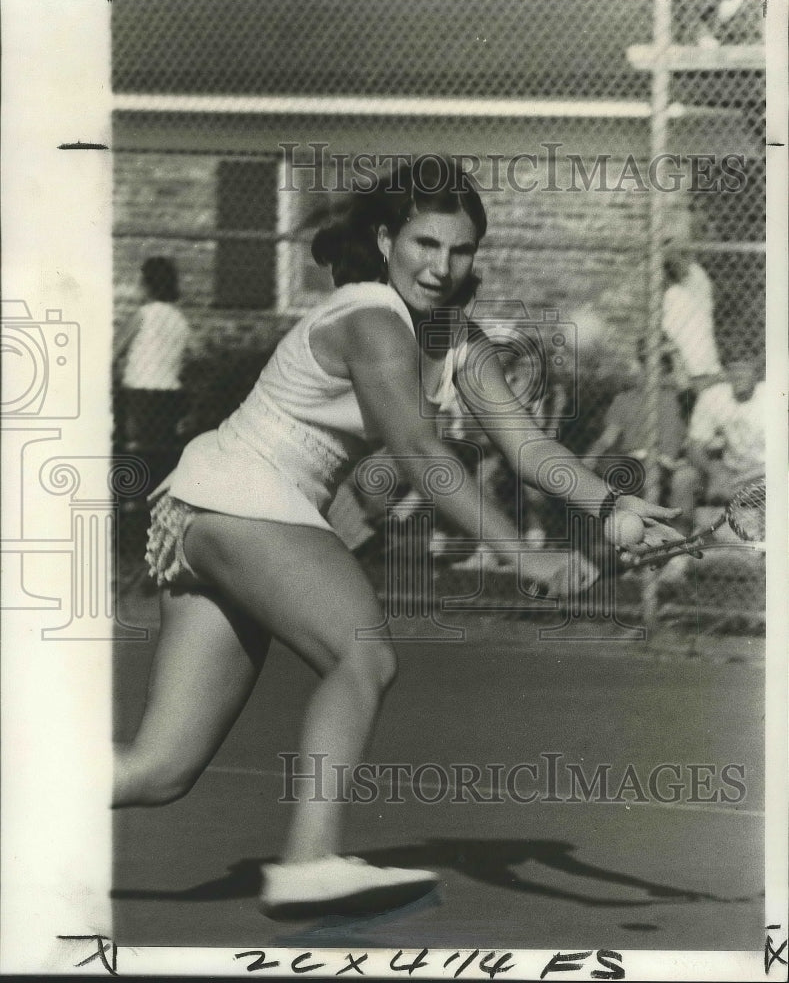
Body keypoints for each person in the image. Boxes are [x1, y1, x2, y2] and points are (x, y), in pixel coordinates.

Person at [113, 156, 682, 917]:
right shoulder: (370, 318)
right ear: (385, 241)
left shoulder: (455, 342)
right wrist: (528, 557)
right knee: (363, 653)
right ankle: (309, 863)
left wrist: (612, 508)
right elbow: (419, 454)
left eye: (460, 250)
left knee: (157, 772)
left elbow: (523, 447)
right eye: (424, 244)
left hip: (206, 509)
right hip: (244, 497)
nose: (442, 267)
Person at [584, 343, 699, 535]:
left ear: (665, 369)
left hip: (669, 464)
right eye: (647, 364)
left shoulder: (675, 397)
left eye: (660, 366)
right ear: (640, 366)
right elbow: (606, 439)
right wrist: (589, 458)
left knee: (686, 477)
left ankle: (680, 542)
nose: (652, 371)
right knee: (611, 471)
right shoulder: (624, 399)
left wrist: (674, 353)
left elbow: (686, 386)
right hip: (634, 463)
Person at [115, 257, 191, 490]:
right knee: (160, 453)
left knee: (130, 449)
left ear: (147, 284)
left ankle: (127, 496)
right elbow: (185, 362)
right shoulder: (181, 320)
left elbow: (114, 351)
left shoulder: (143, 315)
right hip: (169, 396)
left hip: (138, 394)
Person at [686, 358, 765, 503]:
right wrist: (715, 472)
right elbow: (694, 446)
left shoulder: (776, 395)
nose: (738, 375)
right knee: (684, 478)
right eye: (733, 369)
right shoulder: (713, 396)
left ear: (758, 372)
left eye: (745, 369)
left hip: (766, 471)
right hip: (731, 471)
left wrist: (749, 477)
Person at [661, 243, 724, 408]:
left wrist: (666, 249)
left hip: (703, 368)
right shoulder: (669, 294)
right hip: (682, 370)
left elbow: (682, 265)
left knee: (707, 409)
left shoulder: (697, 281)